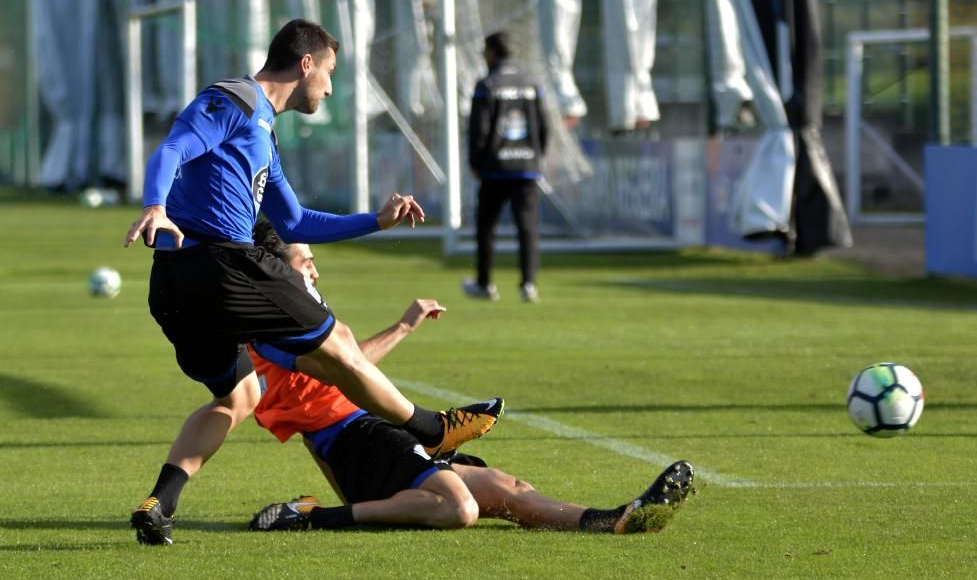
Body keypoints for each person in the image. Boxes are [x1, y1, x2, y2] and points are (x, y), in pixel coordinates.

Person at [123, 19, 502, 546]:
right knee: (339, 340)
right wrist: (155, 206)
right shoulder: (234, 99)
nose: (329, 86)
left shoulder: (263, 134)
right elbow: (172, 149)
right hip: (220, 263)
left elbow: (296, 222)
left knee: (239, 397)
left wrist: (375, 220)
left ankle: (158, 502)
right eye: (328, 73)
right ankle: (430, 429)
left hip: (174, 287)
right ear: (306, 64)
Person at [247, 222, 695, 535]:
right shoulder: (275, 323)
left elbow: (348, 366)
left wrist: (403, 327)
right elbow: (344, 369)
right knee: (458, 508)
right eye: (306, 261)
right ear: (279, 268)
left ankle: (616, 519)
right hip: (352, 439)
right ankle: (312, 516)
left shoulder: (294, 321)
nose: (315, 270)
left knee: (506, 490)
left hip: (372, 429)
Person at [463, 31, 549, 304]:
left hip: (495, 167)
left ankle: (485, 283)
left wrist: (476, 161)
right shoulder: (531, 83)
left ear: (491, 53)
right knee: (527, 227)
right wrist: (537, 155)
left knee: (487, 227)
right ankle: (528, 284)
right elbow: (544, 125)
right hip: (526, 165)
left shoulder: (487, 84)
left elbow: (480, 128)